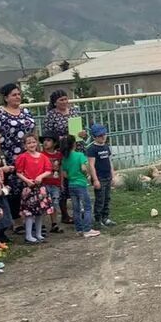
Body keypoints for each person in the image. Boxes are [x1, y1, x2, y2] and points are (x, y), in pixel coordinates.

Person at [0, 84, 36, 227]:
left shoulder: (26, 111)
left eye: (18, 94)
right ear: (6, 97)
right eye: (13, 95)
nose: (17, 97)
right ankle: (16, 222)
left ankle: (31, 218)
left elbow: (33, 130)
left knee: (28, 186)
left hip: (27, 155)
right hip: (9, 156)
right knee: (12, 189)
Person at [42, 89, 84, 226]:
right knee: (62, 182)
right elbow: (48, 135)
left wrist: (82, 133)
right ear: (54, 102)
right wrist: (60, 139)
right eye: (61, 100)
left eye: (66, 99)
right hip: (61, 151)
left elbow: (80, 128)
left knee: (77, 178)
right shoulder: (51, 116)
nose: (65, 102)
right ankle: (65, 214)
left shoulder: (74, 112)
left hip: (75, 148)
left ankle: (79, 209)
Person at [14, 135, 54, 243]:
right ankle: (28, 235)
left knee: (40, 212)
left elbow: (48, 170)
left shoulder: (43, 156)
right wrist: (27, 180)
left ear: (37, 143)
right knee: (29, 213)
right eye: (29, 143)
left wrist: (40, 176)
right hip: (29, 187)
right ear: (25, 145)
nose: (32, 145)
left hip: (40, 188)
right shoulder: (23, 157)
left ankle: (38, 233)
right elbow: (18, 172)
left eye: (33, 142)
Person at [61, 135, 100, 238]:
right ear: (74, 144)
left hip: (71, 185)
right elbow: (83, 168)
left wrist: (72, 176)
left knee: (76, 208)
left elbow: (64, 174)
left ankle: (79, 230)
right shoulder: (80, 155)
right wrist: (86, 174)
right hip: (81, 184)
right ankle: (87, 229)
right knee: (87, 207)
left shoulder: (65, 158)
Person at [87, 124, 116, 228]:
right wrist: (95, 180)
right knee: (100, 199)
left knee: (107, 198)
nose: (103, 137)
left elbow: (109, 161)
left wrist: (113, 175)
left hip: (107, 176)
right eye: (100, 135)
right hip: (100, 178)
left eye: (104, 134)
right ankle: (98, 220)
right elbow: (91, 165)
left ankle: (105, 217)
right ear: (94, 137)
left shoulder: (106, 146)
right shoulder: (92, 149)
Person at [40, 135, 64, 235]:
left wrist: (61, 183)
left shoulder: (59, 155)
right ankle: (41, 225)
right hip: (44, 183)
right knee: (43, 204)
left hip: (55, 183)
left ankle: (54, 224)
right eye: (44, 141)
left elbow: (61, 169)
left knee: (55, 203)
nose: (46, 142)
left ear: (54, 143)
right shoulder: (41, 155)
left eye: (48, 140)